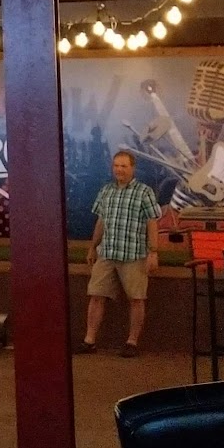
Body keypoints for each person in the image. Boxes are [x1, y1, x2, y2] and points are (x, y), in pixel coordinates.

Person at [81, 150, 160, 358]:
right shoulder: (106, 191)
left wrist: (153, 252)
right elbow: (101, 221)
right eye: (116, 165)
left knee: (136, 298)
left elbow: (152, 222)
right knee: (96, 295)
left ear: (133, 168)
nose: (119, 170)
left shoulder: (144, 192)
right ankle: (89, 340)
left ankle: (132, 342)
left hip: (134, 254)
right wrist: (93, 246)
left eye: (124, 166)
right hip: (107, 252)